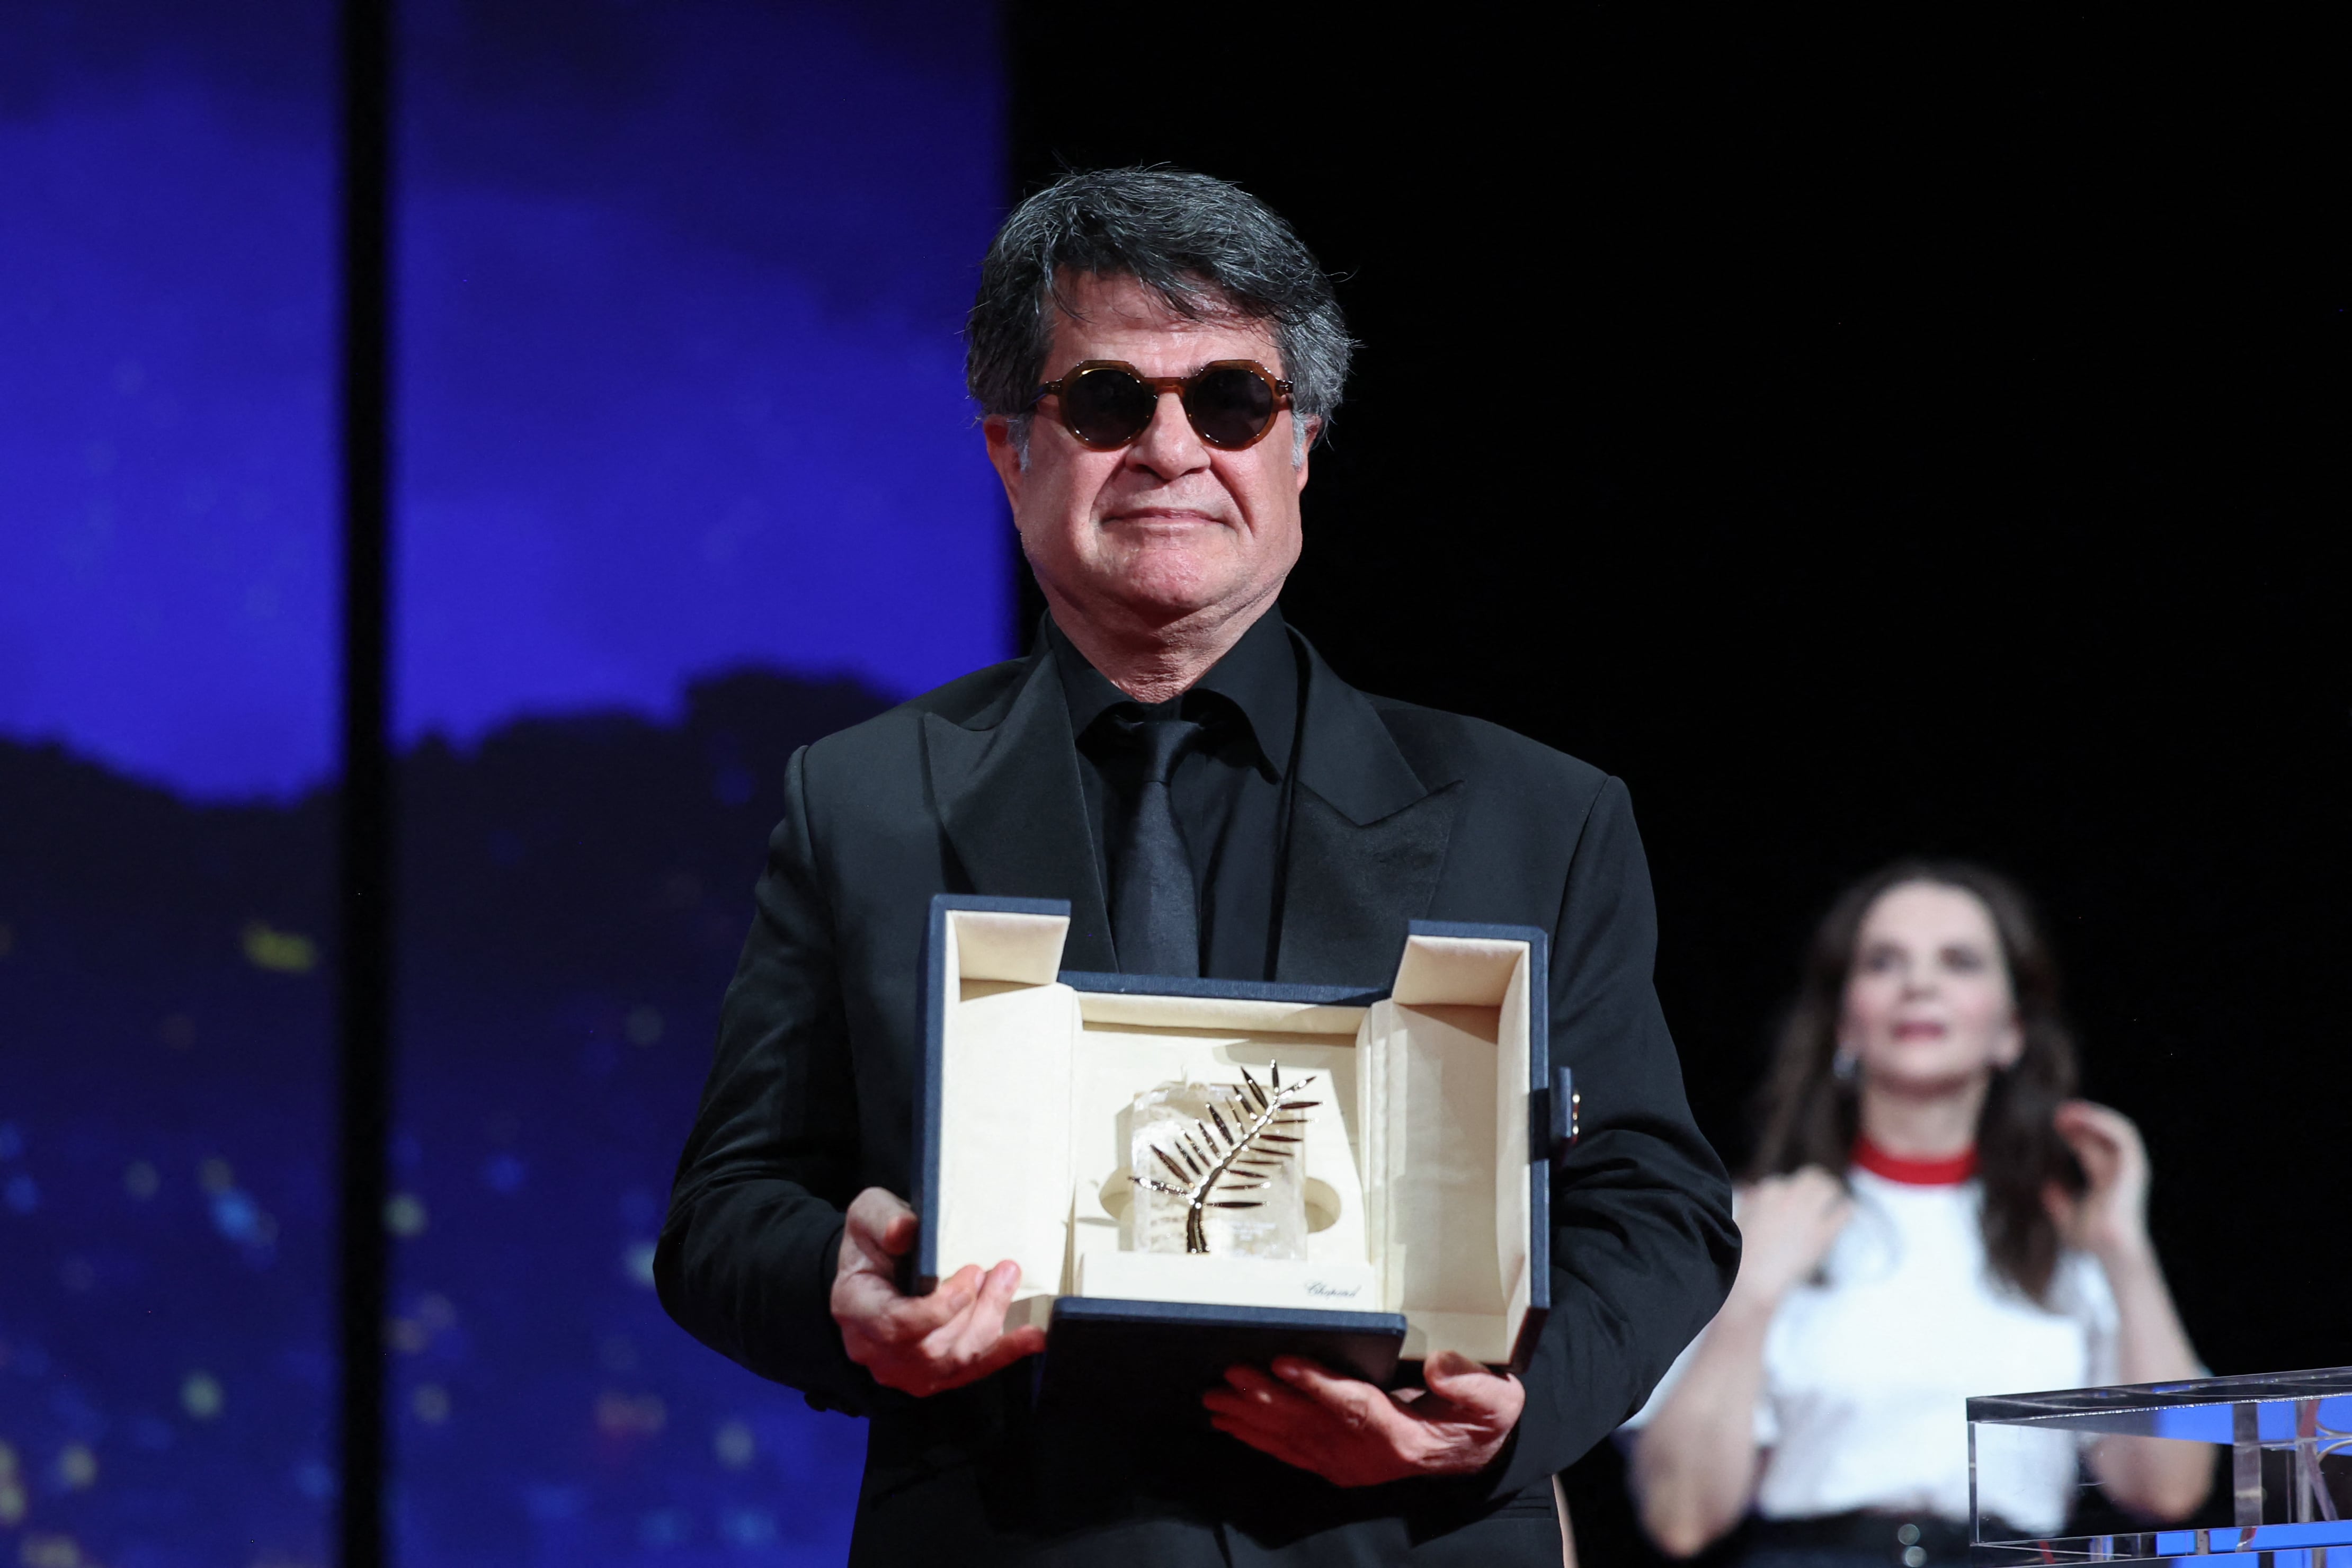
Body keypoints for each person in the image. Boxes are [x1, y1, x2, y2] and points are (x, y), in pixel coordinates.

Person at [653, 166, 1739, 1564]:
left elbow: (1659, 1211)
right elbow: (726, 1214)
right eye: (1108, 401)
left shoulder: (1536, 815)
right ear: (1010, 451)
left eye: (1231, 402)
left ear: (1301, 451)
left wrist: (1517, 1406)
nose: (1172, 449)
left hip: (1406, 1535)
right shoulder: (861, 802)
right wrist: (841, 1289)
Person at [1624, 861, 2211, 1565]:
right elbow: (1681, 1518)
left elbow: (2172, 1488)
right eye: (1884, 962)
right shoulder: (1762, 1219)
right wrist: (1750, 1297)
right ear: (1846, 1022)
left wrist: (2126, 1255)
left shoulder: (2062, 1231)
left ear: (2011, 1030)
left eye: (1959, 962)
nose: (1920, 985)